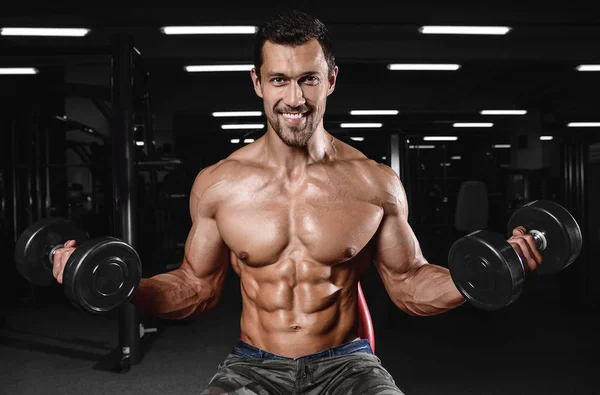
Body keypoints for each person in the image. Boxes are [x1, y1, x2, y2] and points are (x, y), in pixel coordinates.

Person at [51, 10, 543, 394]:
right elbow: (195, 289)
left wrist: (477, 276)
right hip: (253, 366)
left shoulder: (375, 183)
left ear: (330, 79)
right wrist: (119, 285)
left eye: (308, 79)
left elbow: (409, 283)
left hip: (347, 365)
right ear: (258, 83)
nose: (295, 98)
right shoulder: (218, 185)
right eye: (280, 80)